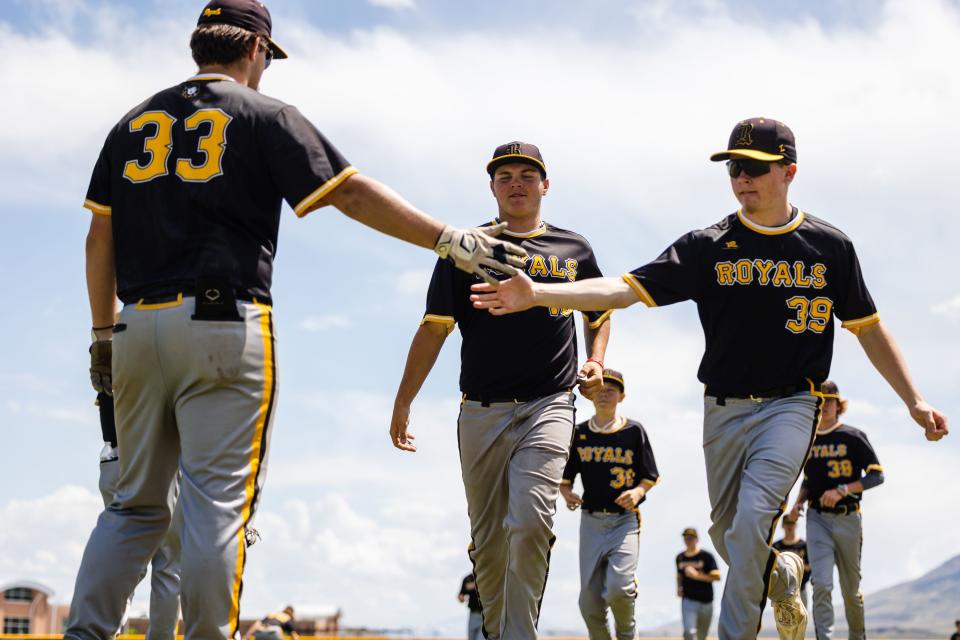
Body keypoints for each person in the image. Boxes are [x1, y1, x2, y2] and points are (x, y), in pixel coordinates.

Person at [70, 1, 527, 638]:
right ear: (256, 48)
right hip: (223, 323)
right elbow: (344, 190)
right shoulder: (263, 113)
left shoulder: (131, 122)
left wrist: (101, 336)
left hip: (134, 327)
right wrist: (448, 238)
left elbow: (100, 236)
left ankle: (83, 632)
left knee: (132, 507)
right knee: (216, 509)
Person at [470, 117, 949, 640]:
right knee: (729, 534)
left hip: (793, 403)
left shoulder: (829, 247)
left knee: (749, 522)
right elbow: (620, 290)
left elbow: (869, 329)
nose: (742, 178)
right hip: (723, 409)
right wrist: (540, 294)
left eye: (755, 169)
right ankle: (782, 571)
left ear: (789, 171)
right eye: (734, 168)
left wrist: (914, 400)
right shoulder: (708, 245)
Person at [390, 141, 612, 639]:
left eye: (527, 175)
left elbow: (599, 311)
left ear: (545, 184)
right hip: (481, 411)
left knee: (531, 521)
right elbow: (434, 328)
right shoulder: (465, 250)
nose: (516, 183)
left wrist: (596, 360)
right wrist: (404, 400)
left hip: (550, 404)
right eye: (505, 176)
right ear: (492, 186)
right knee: (489, 544)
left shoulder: (573, 248)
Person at [559, 369, 659, 640]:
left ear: (622, 396)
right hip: (591, 521)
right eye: (600, 389)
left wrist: (638, 492)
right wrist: (566, 493)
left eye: (611, 390)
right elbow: (565, 479)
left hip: (624, 521)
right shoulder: (579, 433)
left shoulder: (633, 431)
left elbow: (649, 475)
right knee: (589, 603)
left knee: (619, 588)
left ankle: (627, 634)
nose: (604, 394)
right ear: (591, 395)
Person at [788, 380, 885, 640]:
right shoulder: (807, 440)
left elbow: (876, 476)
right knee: (821, 583)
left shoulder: (852, 436)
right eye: (818, 401)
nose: (824, 405)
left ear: (838, 405)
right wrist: (798, 502)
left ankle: (857, 636)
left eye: (829, 400)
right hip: (817, 518)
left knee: (850, 590)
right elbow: (810, 479)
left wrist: (843, 489)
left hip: (848, 518)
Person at [96, 393, 181, 639]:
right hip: (165, 463)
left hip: (116, 460)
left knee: (121, 560)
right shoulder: (173, 355)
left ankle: (104, 632)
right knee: (168, 565)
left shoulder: (110, 353)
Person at [675, 528, 721, 640]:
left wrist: (696, 575)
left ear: (697, 539)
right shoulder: (680, 557)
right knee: (689, 632)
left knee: (701, 635)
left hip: (706, 601)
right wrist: (678, 588)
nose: (688, 540)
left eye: (690, 538)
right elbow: (679, 575)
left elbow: (717, 576)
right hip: (688, 600)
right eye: (685, 538)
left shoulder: (706, 556)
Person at [772, 515, 811, 612]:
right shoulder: (776, 547)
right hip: (781, 593)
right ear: (783, 526)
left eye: (792, 523)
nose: (790, 526)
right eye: (787, 524)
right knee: (783, 624)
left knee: (800, 623)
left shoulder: (804, 546)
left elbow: (810, 568)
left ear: (796, 525)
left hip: (800, 591)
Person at [458, 573, 483, 640]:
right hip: (473, 614)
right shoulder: (467, 579)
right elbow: (461, 596)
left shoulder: (486, 576)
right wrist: (462, 598)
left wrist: (474, 585)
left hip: (485, 616)